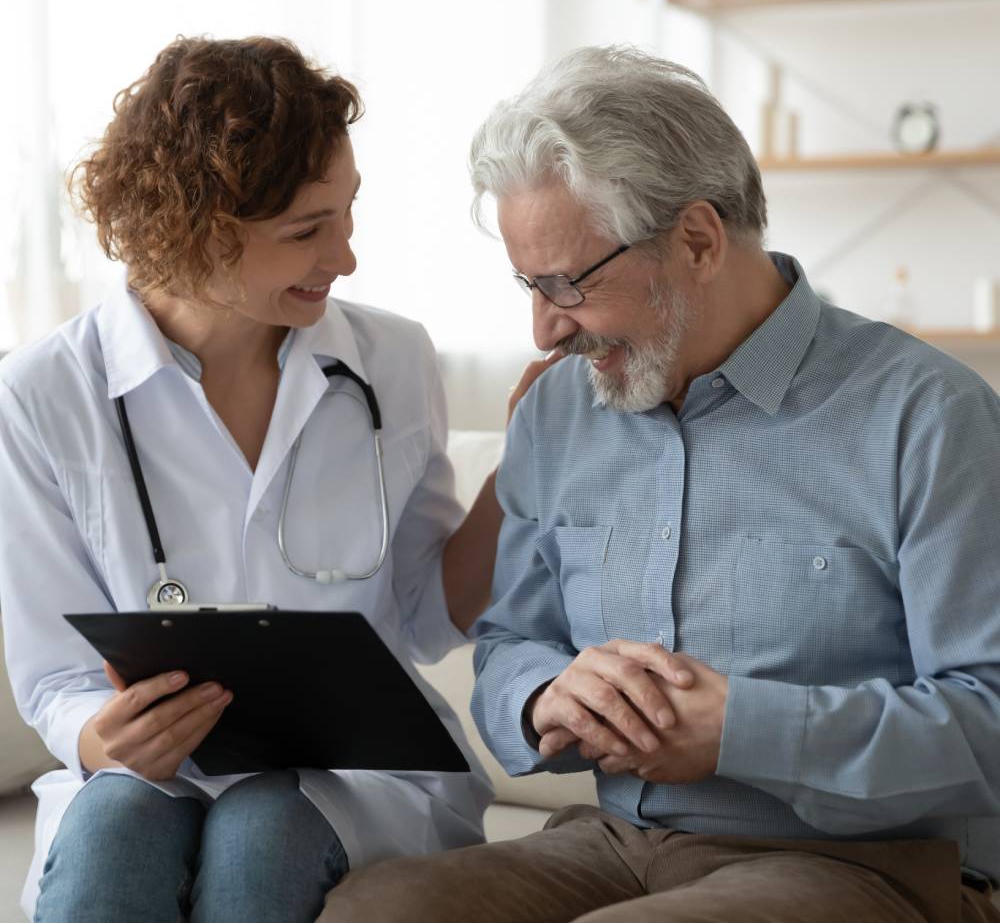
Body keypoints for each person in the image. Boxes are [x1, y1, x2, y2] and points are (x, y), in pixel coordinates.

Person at [320, 45, 1000, 922]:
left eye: (566, 284)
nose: (541, 330)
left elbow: (989, 717)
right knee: (376, 910)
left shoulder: (928, 416)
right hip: (612, 844)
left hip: (862, 864)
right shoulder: (559, 414)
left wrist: (747, 731)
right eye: (529, 285)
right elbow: (508, 647)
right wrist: (544, 698)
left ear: (697, 240)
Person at [0, 36, 552, 922]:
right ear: (198, 228)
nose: (345, 257)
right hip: (153, 777)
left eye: (348, 214)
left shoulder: (390, 360)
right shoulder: (43, 394)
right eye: (307, 231)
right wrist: (102, 739)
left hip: (359, 775)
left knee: (262, 832)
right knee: (116, 836)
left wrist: (522, 467)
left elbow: (425, 615)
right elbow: (56, 680)